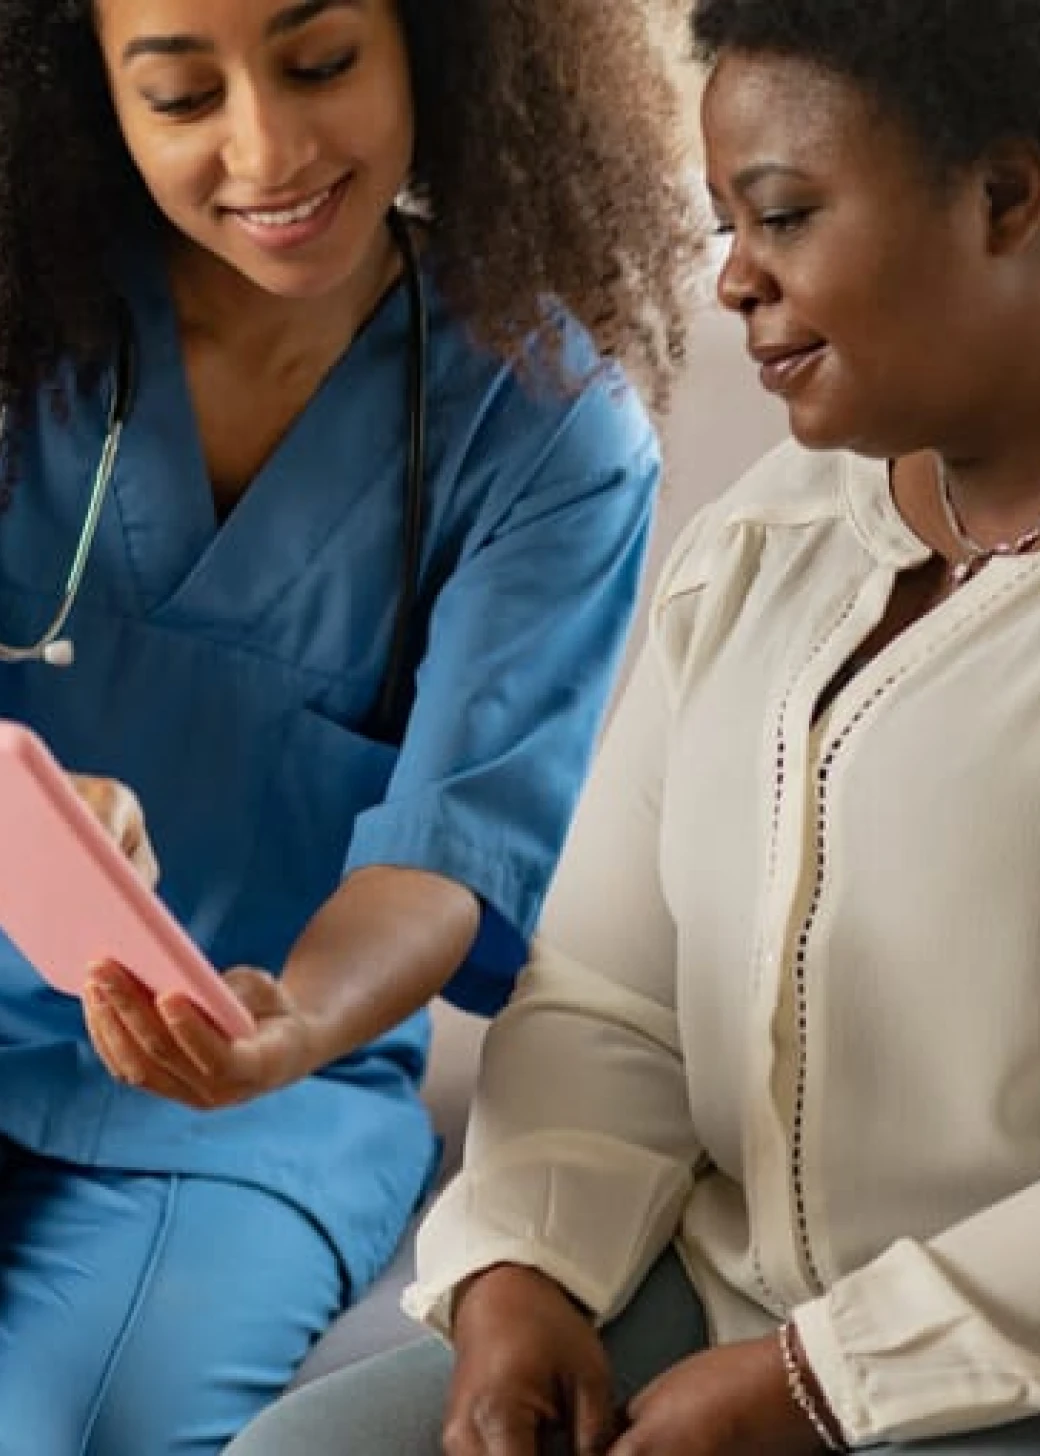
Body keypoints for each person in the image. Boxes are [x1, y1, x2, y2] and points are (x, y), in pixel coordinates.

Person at [226, 1, 1040, 1453]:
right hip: (724, 1309)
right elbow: (609, 991)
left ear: (1009, 196)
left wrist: (821, 1383)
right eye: (725, 224)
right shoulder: (759, 549)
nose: (734, 282)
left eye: (782, 215)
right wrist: (524, 1277)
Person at [0, 0, 700, 1450]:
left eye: (319, 66)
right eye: (184, 98)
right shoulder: (25, 320)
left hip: (253, 1101)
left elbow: (450, 849)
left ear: (432, 48)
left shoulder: (551, 433)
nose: (267, 149)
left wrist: (292, 1021)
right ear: (95, 104)